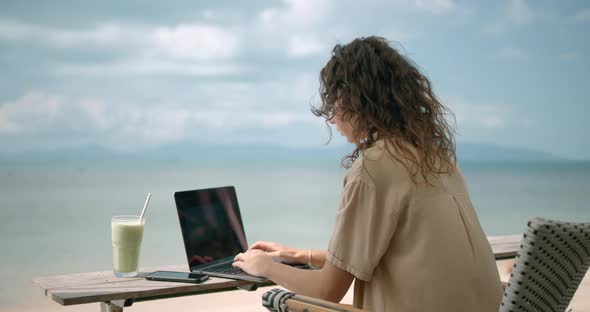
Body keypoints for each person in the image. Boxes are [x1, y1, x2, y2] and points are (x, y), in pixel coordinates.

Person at [232, 36, 503, 312]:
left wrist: (265, 267)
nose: (331, 117)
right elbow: (400, 256)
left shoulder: (373, 169)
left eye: (334, 104)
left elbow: (327, 291)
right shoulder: (436, 158)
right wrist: (301, 255)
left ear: (357, 103)